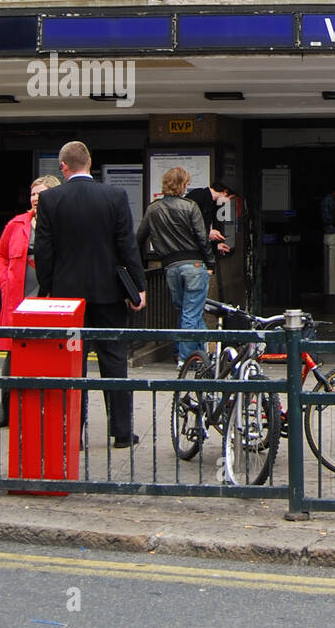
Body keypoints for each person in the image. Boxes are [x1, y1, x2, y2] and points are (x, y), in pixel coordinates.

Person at [33, 141, 147, 449]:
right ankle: (122, 432)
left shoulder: (50, 199)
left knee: (72, 363)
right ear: (90, 162)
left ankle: (74, 431)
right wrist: (138, 287)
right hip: (108, 294)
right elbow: (127, 245)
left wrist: (48, 288)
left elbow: (43, 251)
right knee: (114, 361)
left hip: (67, 299)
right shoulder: (114, 196)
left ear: (63, 166)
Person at [0, 174, 62, 427]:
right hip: (18, 298)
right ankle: (6, 408)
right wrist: (4, 281)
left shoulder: (61, 225)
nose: (35, 199)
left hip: (48, 299)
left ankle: (44, 408)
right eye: (33, 194)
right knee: (13, 355)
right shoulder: (16, 224)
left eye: (40, 194)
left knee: (47, 354)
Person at [137, 167, 215, 366]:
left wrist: (136, 264)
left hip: (170, 266)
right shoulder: (190, 206)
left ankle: (202, 353)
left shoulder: (153, 208)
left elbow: (139, 238)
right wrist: (210, 262)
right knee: (192, 313)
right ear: (183, 184)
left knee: (186, 311)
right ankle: (187, 358)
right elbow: (202, 237)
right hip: (194, 264)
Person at [185, 180, 236, 256]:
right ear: (225, 192)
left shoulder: (212, 203)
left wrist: (216, 246)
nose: (227, 202)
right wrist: (207, 232)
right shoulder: (198, 196)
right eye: (230, 198)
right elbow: (186, 223)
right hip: (188, 252)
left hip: (195, 252)